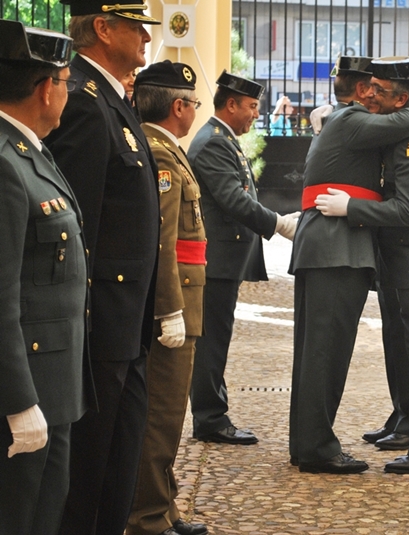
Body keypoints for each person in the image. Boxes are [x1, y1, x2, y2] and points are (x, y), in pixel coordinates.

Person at [288, 55, 409, 473]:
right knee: (324, 353)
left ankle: (308, 443)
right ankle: (317, 447)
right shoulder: (352, 120)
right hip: (334, 249)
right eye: (371, 87)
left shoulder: (346, 121)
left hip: (334, 247)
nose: (373, 94)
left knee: (317, 352)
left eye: (382, 89)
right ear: (360, 90)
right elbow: (404, 122)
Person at [43, 1, 162, 533]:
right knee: (92, 468)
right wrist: (82, 322)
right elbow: (76, 227)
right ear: (102, 27)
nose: (144, 37)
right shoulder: (86, 102)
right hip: (100, 323)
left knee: (120, 460)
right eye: (135, 26)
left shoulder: (113, 99)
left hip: (126, 319)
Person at [0, 21, 89, 535]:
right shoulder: (6, 163)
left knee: (44, 515)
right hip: (25, 392)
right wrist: (17, 403)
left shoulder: (30, 150)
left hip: (52, 387)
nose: (66, 93)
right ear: (44, 88)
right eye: (66, 81)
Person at [188, 71, 296, 446]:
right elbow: (234, 200)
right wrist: (280, 224)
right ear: (230, 104)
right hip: (214, 260)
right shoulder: (214, 142)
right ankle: (209, 418)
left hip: (223, 260)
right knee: (211, 341)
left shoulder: (223, 139)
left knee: (216, 338)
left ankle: (213, 413)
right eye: (251, 106)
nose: (255, 114)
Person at [126, 61, 208, 535]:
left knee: (169, 417)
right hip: (173, 308)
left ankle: (164, 504)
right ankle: (147, 517)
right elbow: (162, 240)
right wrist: (169, 309)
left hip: (184, 302)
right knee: (160, 417)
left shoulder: (165, 150)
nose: (195, 111)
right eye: (194, 103)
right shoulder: (159, 154)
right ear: (178, 106)